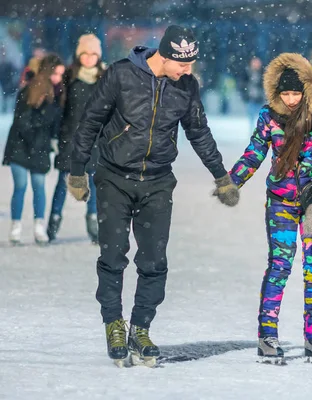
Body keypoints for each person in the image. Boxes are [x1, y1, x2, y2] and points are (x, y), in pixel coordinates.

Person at [68, 25, 239, 367]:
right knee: (113, 256)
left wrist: (222, 177)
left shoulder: (186, 87)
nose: (187, 70)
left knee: (154, 261)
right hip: (115, 178)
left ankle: (141, 328)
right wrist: (76, 171)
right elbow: (90, 122)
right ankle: (114, 324)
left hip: (158, 181)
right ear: (165, 55)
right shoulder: (120, 75)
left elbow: (199, 132)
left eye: (191, 63)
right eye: (182, 63)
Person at [228, 53, 312, 363]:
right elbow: (254, 152)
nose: (291, 100)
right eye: (285, 93)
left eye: (296, 93)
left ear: (307, 91)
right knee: (280, 264)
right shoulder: (270, 116)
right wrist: (231, 182)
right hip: (280, 200)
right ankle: (267, 335)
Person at [47, 34, 105, 243]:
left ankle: (94, 223)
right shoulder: (69, 77)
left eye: (93, 54)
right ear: (78, 55)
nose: (89, 58)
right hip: (69, 137)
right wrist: (55, 135)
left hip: (95, 139)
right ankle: (53, 221)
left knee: (93, 181)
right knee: (64, 181)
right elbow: (59, 109)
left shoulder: (105, 78)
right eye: (85, 54)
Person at [2, 54, 65, 245]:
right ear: (47, 71)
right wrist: (39, 133)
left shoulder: (58, 94)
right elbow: (22, 121)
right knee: (20, 187)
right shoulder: (30, 91)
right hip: (21, 147)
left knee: (39, 187)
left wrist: (53, 139)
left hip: (40, 149)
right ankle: (16, 227)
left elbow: (55, 123)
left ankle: (39, 227)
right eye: (55, 74)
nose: (58, 78)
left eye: (61, 75)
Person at [239, 56, 265, 132]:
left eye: (257, 63)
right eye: (255, 63)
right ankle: (253, 131)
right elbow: (242, 84)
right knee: (251, 116)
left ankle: (260, 132)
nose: (256, 64)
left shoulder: (262, 73)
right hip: (250, 97)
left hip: (259, 98)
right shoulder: (247, 72)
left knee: (261, 116)